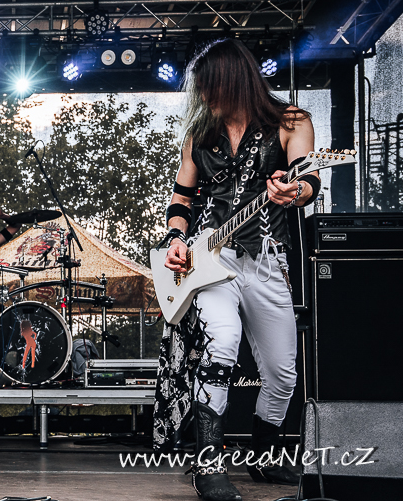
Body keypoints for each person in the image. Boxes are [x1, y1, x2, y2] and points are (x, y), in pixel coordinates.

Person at [161, 39, 317, 501]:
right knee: (222, 343)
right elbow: (181, 200)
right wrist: (175, 240)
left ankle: (265, 458)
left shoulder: (291, 121)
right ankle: (208, 464)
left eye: (210, 87)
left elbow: (309, 180)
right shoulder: (199, 135)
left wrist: (294, 192)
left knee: (282, 373)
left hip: (268, 259)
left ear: (233, 80)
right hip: (211, 261)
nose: (203, 96)